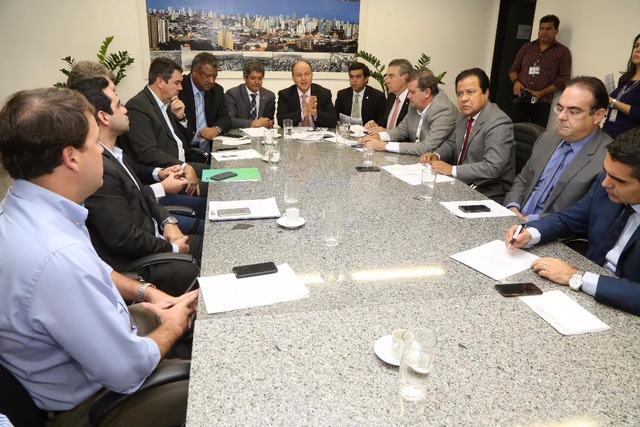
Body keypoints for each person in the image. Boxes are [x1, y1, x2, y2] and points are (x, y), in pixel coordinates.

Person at [0, 87, 198, 425]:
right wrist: (174, 325)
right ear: (71, 158)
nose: (103, 152)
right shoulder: (57, 258)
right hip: (93, 403)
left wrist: (148, 294)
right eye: (95, 143)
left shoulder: (28, 208)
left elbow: (96, 270)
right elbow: (127, 370)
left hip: (96, 356)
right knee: (217, 378)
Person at [70, 77, 202, 296]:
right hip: (142, 263)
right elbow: (124, 239)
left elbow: (143, 195)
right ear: (103, 117)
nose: (125, 110)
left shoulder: (116, 154)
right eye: (119, 105)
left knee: (214, 244)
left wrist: (168, 222)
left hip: (156, 239)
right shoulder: (100, 168)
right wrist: (172, 248)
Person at [505, 128, 640, 315]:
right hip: (586, 294)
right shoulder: (608, 186)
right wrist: (530, 233)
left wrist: (577, 277)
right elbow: (568, 219)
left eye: (618, 180)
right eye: (606, 172)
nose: (605, 183)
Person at [67, 60, 206, 218]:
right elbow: (130, 205)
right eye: (113, 95)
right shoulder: (93, 156)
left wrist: (159, 172)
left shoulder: (112, 145)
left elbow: (133, 171)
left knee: (228, 177)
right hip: (152, 208)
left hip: (164, 183)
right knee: (212, 201)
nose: (124, 109)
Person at [504, 76, 612, 220]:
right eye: (560, 108)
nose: (561, 117)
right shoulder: (547, 138)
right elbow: (523, 179)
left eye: (573, 112)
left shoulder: (608, 159)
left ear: (598, 116)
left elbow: (584, 216)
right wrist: (512, 206)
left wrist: (530, 221)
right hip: (513, 218)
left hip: (553, 234)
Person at [420, 68, 515, 203]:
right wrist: (436, 155)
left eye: (470, 92)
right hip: (464, 181)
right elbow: (452, 143)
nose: (464, 98)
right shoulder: (464, 117)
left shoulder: (499, 121)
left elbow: (492, 167)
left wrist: (452, 170)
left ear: (486, 93)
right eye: (460, 94)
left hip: (489, 188)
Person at [120, 57, 208, 197]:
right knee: (218, 189)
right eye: (177, 83)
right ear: (160, 82)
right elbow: (147, 152)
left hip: (183, 165)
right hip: (169, 176)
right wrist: (185, 167)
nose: (181, 87)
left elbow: (183, 142)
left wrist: (181, 118)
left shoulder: (164, 103)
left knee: (222, 174)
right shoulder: (138, 107)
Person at [358, 68, 458, 155]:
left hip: (437, 165)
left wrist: (385, 146)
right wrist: (377, 136)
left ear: (427, 92)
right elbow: (401, 130)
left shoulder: (444, 111)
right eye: (408, 91)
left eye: (412, 92)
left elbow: (426, 147)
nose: (408, 96)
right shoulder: (415, 103)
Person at [508, 14, 572, 127]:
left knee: (536, 134)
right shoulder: (527, 47)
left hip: (542, 103)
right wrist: (516, 82)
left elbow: (563, 78)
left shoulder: (563, 52)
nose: (544, 32)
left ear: (556, 30)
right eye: (541, 28)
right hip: (521, 99)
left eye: (548, 29)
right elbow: (514, 69)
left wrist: (540, 93)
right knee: (514, 131)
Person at [179, 52, 231, 152]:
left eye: (214, 77)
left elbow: (225, 118)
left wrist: (216, 129)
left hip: (210, 150)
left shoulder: (217, 90)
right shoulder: (179, 89)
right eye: (207, 76)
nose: (212, 81)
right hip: (185, 150)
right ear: (194, 71)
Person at [276, 60, 337, 128]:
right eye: (299, 75)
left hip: (317, 136)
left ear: (312, 75)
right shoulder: (285, 95)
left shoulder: (324, 93)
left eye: (307, 74)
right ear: (293, 78)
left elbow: (333, 120)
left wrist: (315, 113)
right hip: (295, 136)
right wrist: (304, 112)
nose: (303, 78)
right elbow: (281, 121)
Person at [603, 33, 640, 139]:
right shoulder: (625, 78)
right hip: (606, 132)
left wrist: (613, 101)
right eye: (636, 46)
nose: (637, 50)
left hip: (626, 141)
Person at [225, 59, 275, 129]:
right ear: (245, 78)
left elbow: (269, 120)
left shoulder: (269, 96)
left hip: (261, 136)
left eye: (260, 78)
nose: (257, 82)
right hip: (239, 136)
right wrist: (253, 123)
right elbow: (230, 120)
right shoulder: (233, 94)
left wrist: (269, 123)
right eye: (253, 78)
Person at [364, 58, 412, 132]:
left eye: (391, 76)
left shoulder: (412, 100)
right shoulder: (391, 96)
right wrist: (375, 126)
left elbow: (410, 134)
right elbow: (385, 124)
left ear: (405, 78)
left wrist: (386, 133)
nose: (387, 81)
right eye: (387, 77)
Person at [334, 62, 386, 126]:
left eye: (358, 77)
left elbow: (382, 122)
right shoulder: (342, 94)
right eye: (351, 77)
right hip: (346, 132)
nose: (354, 80)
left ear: (366, 79)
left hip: (368, 133)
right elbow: (335, 116)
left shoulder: (377, 96)